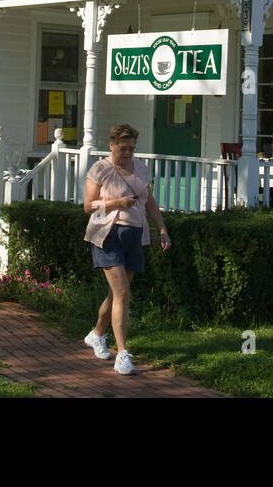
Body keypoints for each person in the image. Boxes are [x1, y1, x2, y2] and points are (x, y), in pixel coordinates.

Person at [81, 123, 170, 375]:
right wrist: (116, 202)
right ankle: (122, 353)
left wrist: (162, 229)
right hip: (107, 235)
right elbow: (88, 207)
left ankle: (97, 334)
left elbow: (149, 202)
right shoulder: (100, 169)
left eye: (132, 148)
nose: (128, 153)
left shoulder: (141, 168)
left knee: (119, 293)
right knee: (122, 293)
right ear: (112, 145)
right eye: (123, 148)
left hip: (135, 236)